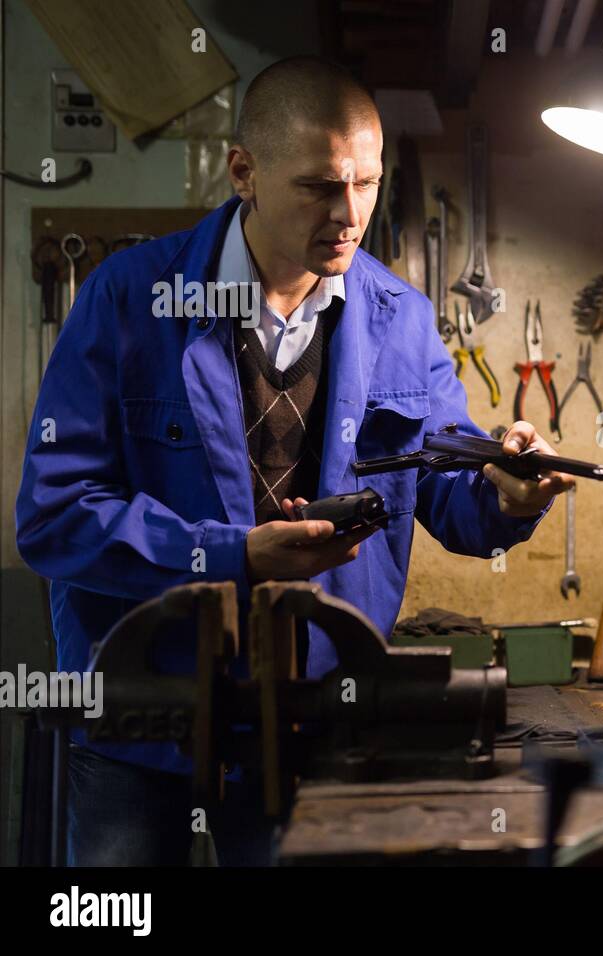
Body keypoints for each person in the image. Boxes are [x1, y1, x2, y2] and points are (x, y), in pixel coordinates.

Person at [14, 56, 570, 865]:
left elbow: (448, 494)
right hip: (143, 714)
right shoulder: (130, 299)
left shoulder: (401, 323)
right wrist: (230, 555)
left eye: (368, 184)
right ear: (244, 170)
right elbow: (55, 517)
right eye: (320, 186)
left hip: (316, 713)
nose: (351, 215)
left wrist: (509, 494)